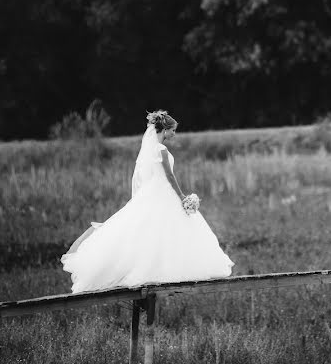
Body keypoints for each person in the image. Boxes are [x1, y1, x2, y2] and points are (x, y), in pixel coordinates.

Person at [61, 110, 234, 292]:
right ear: (165, 130)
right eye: (173, 130)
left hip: (153, 192)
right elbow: (169, 176)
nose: (174, 134)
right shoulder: (161, 150)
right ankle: (168, 268)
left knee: (150, 230)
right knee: (168, 229)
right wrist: (182, 197)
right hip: (163, 192)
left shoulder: (150, 150)